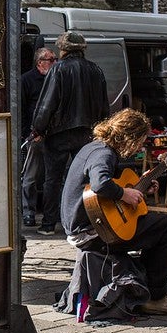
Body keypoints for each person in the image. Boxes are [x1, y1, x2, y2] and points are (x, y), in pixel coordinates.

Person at [59, 108, 167, 316]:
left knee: (152, 224)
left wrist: (139, 188)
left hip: (87, 225)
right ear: (130, 137)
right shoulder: (104, 153)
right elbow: (101, 184)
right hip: (92, 232)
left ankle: (143, 285)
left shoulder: (93, 147)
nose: (139, 147)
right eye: (140, 141)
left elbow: (107, 191)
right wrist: (124, 194)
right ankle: (156, 296)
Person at [31, 32, 109, 235]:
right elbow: (103, 106)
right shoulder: (96, 70)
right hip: (88, 134)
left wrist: (38, 128)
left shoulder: (58, 69)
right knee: (85, 179)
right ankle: (88, 221)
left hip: (59, 135)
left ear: (63, 49)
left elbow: (47, 104)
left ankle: (49, 224)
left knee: (52, 180)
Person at [20, 47, 57, 227]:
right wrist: (27, 134)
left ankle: (53, 213)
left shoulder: (56, 78)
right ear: (40, 62)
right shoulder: (27, 80)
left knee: (53, 175)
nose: (55, 62)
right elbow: (21, 109)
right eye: (51, 59)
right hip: (34, 134)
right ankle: (29, 212)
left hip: (53, 134)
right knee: (30, 176)